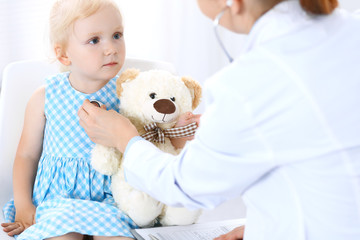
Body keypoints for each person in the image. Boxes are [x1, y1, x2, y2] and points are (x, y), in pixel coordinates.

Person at [78, 0, 360, 239]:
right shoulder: (350, 31)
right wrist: (266, 227)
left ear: (232, 3)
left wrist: (125, 139)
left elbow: (183, 185)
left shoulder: (249, 84)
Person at [0, 0, 195, 239]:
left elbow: (153, 144)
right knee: (63, 236)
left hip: (113, 199)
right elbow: (26, 156)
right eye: (94, 40)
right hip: (59, 199)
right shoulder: (45, 96)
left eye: (116, 35)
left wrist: (181, 135)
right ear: (63, 55)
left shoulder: (130, 95)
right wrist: (23, 205)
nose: (111, 48)